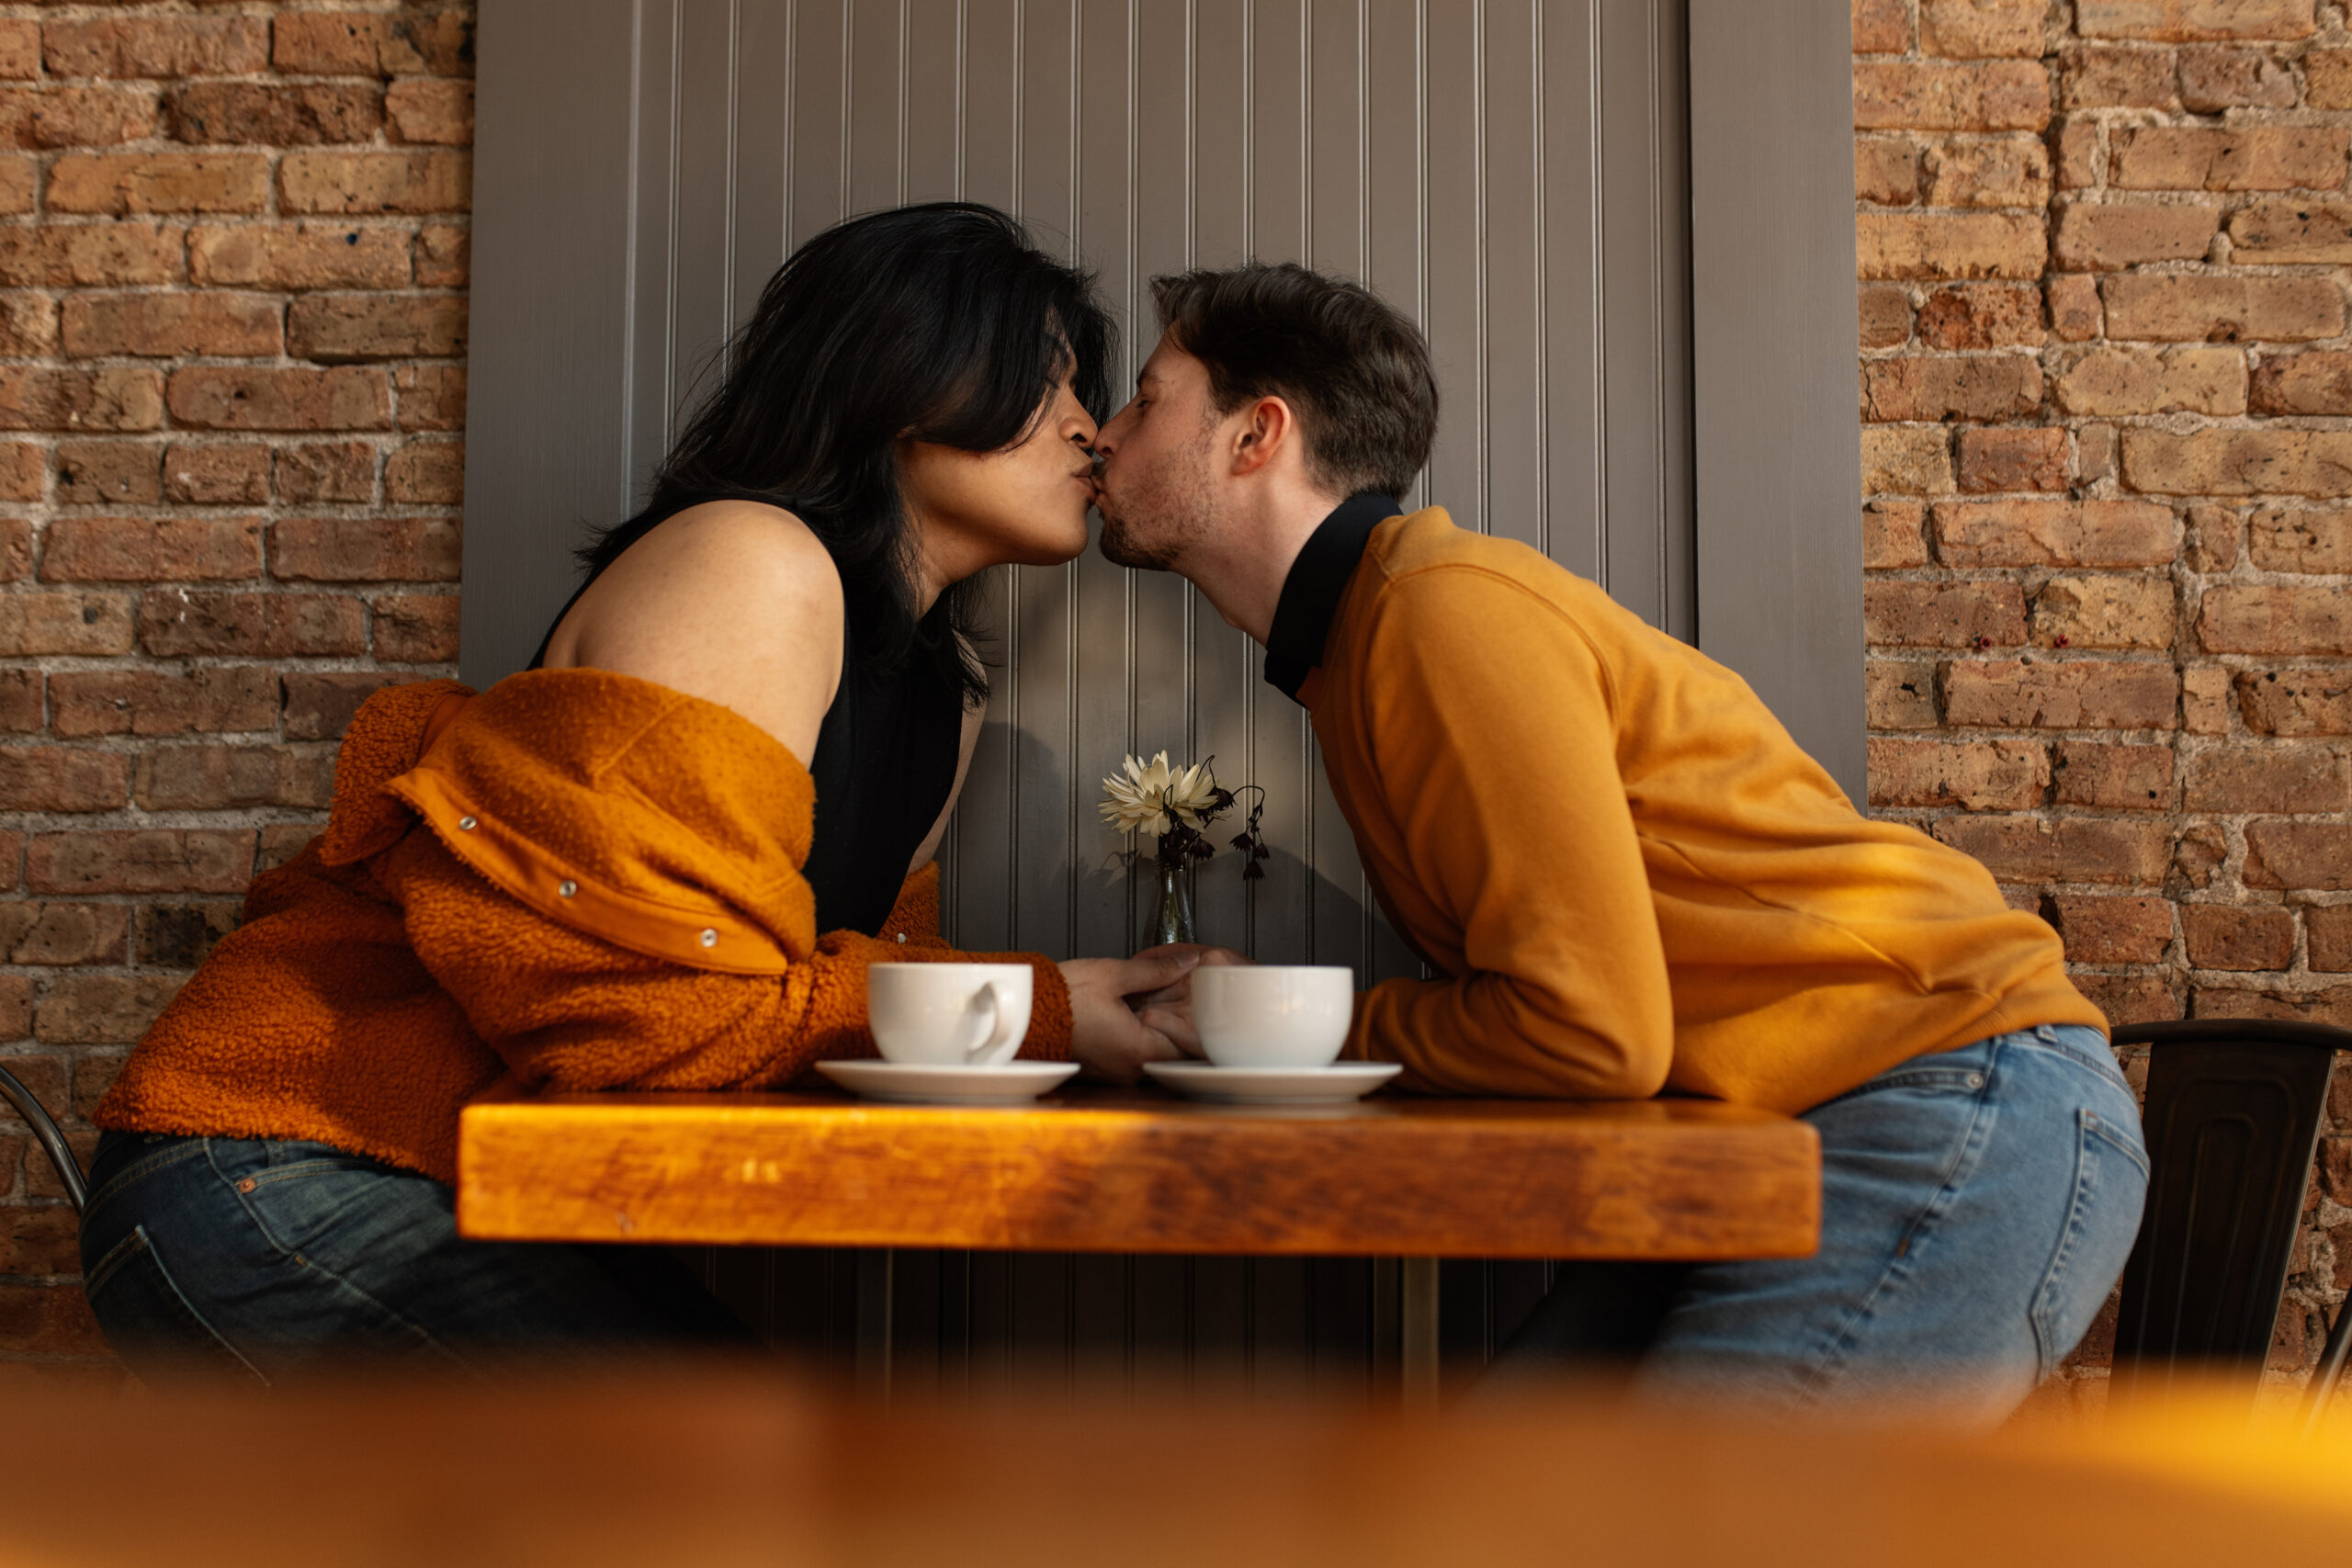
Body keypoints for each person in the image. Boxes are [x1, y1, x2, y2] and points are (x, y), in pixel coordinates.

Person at [79, 204, 1202, 1382]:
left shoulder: (943, 690)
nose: (1090, 432)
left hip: (465, 1178)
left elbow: (823, 1013)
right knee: (740, 1472)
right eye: (1049, 380)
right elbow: (647, 1023)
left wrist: (1067, 1023)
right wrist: (1041, 1009)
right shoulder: (752, 563)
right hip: (285, 1163)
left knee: (776, 1457)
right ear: (912, 375)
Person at [1088, 260, 2149, 1423]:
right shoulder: (1369, 638)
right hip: (1809, 1124)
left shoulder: (1439, 613)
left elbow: (1590, 1032)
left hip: (1954, 1102)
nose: (1106, 434)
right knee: (1494, 1512)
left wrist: (1288, 1029)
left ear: (1256, 436)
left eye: (1146, 398)